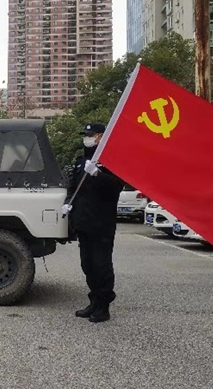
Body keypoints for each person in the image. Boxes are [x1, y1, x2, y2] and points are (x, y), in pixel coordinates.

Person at [62, 123, 124, 323]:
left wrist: (98, 174)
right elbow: (73, 187)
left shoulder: (110, 160)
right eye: (86, 134)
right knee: (87, 264)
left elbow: (117, 186)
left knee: (101, 265)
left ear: (101, 136)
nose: (87, 138)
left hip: (101, 223)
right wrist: (68, 204)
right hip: (83, 221)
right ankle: (94, 300)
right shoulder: (82, 161)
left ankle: (103, 306)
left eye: (91, 134)